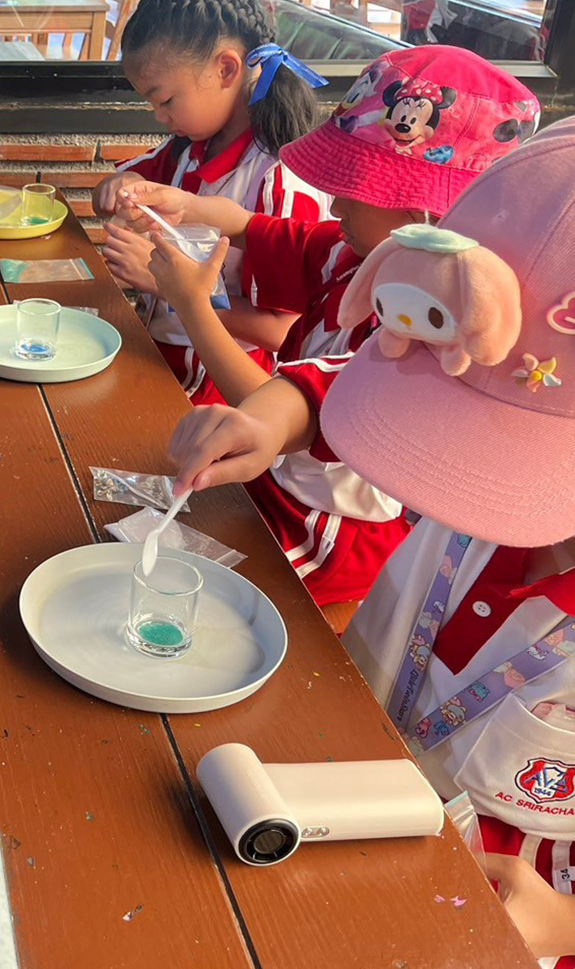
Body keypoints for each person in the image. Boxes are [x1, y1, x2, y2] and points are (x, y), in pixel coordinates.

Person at [168, 118, 575, 965]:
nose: (462, 475)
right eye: (458, 421)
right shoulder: (465, 446)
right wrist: (276, 413)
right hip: (344, 803)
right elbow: (348, 379)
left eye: (506, 449)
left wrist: (565, 926)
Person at [116, 47, 539, 606]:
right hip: (272, 485)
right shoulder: (351, 254)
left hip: (324, 534)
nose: (335, 207)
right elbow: (251, 226)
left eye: (353, 190)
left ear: (424, 218)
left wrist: (191, 303)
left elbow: (312, 404)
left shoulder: (425, 332)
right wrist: (182, 205)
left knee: (167, 590)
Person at [91, 0, 329, 406]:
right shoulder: (191, 146)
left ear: (226, 69)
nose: (159, 116)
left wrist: (164, 283)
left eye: (165, 100)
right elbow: (113, 191)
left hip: (225, 394)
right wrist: (122, 186)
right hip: (161, 360)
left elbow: (283, 331)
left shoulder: (280, 179)